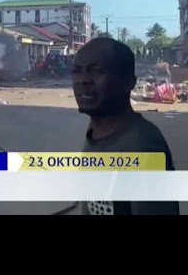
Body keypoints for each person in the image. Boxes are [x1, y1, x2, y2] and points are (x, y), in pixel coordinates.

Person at [72, 38, 180, 215]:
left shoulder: (142, 146)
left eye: (96, 71)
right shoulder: (96, 131)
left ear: (128, 82)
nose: (83, 80)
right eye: (76, 71)